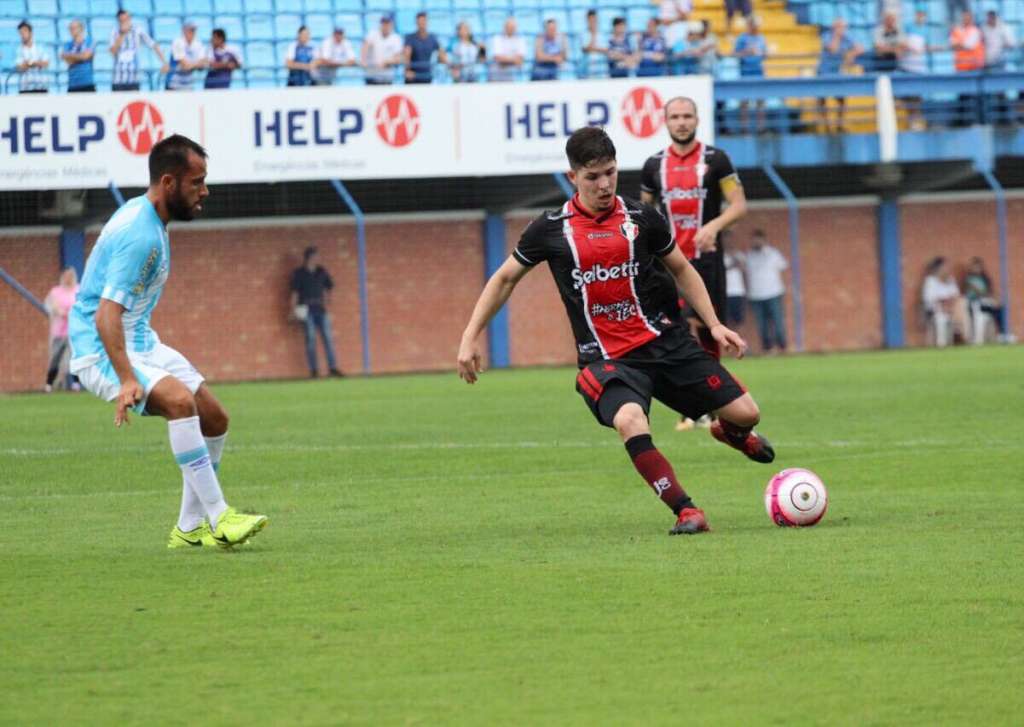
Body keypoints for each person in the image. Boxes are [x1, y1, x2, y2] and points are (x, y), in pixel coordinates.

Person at [457, 127, 775, 537]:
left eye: (610, 172)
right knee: (630, 419)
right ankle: (686, 510)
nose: (604, 184)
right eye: (592, 177)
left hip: (664, 342)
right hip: (607, 361)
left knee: (748, 413)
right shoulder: (550, 229)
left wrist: (713, 324)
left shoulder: (643, 218)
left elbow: (681, 267)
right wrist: (469, 336)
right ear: (572, 177)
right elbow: (503, 280)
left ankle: (728, 432)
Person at [67, 134, 268, 549]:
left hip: (140, 340)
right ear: (169, 182)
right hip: (101, 348)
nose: (205, 191)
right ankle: (220, 516)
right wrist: (126, 379)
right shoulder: (139, 234)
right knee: (179, 402)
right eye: (197, 182)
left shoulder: (151, 219)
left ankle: (189, 528)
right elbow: (106, 315)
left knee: (214, 417)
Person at [639, 97, 748, 429]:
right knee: (675, 328)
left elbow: (739, 205)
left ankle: (711, 404)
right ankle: (696, 405)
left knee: (707, 329)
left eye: (687, 115)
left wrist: (713, 226)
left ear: (697, 119)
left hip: (706, 261)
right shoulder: (653, 166)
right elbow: (644, 213)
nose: (682, 122)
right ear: (665, 121)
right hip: (668, 263)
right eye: (675, 116)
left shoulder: (717, 160)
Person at [290, 246, 342, 379]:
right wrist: (293, 310)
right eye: (316, 256)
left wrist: (329, 299)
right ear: (309, 258)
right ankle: (314, 370)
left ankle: (332, 368)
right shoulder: (299, 273)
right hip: (306, 310)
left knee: (328, 338)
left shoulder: (321, 271)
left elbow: (329, 286)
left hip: (320, 309)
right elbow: (294, 292)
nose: (318, 259)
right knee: (311, 340)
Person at [744, 230, 788, 354]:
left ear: (764, 240)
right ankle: (767, 349)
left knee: (778, 322)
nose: (756, 242)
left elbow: (783, 266)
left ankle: (782, 348)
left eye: (758, 239)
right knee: (762, 325)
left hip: (773, 293)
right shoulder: (749, 256)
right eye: (754, 239)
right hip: (756, 295)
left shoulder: (773, 253)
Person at [817, 18, 861, 133]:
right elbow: (833, 49)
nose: (842, 30)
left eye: (843, 27)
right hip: (824, 72)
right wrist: (836, 36)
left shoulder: (846, 38)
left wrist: (851, 54)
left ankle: (839, 124)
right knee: (822, 99)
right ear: (834, 27)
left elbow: (860, 48)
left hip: (836, 72)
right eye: (840, 27)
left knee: (841, 99)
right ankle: (826, 126)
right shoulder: (826, 36)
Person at [109, 10, 167, 91]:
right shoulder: (114, 31)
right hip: (118, 78)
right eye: (122, 20)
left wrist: (164, 62)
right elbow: (112, 51)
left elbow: (153, 45)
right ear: (119, 21)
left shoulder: (138, 30)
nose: (125, 22)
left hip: (134, 78)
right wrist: (122, 34)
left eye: (127, 19)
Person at [44, 268, 79, 392]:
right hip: (59, 331)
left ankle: (76, 383)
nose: (68, 278)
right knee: (56, 357)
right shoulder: (56, 292)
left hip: (74, 331)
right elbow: (50, 305)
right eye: (66, 276)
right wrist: (59, 311)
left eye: (70, 275)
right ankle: (49, 384)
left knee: (74, 357)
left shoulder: (78, 290)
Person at [963, 257, 1012, 343]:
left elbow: (990, 292)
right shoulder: (968, 279)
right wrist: (987, 296)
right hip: (975, 304)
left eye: (978, 267)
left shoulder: (984, 279)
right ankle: (1002, 333)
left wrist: (993, 299)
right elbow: (979, 292)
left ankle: (1003, 333)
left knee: (1001, 309)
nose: (977, 269)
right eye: (975, 267)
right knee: (995, 308)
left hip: (986, 303)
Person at [921, 256, 969, 345]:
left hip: (951, 308)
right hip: (936, 309)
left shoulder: (950, 280)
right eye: (945, 267)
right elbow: (928, 299)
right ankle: (960, 333)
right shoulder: (931, 281)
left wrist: (949, 303)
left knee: (963, 302)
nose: (947, 269)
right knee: (956, 311)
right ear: (938, 268)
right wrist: (944, 302)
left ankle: (961, 332)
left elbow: (956, 296)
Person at [733, 16, 767, 133]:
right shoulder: (742, 38)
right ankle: (744, 127)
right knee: (745, 101)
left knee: (760, 100)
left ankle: (761, 127)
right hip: (746, 71)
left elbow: (764, 53)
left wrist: (764, 53)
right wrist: (747, 51)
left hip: (759, 71)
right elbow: (735, 54)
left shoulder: (761, 38)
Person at [404, 11, 446, 84]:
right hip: (413, 77)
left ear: (427, 22)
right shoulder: (410, 38)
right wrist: (407, 70)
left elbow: (442, 55)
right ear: (416, 23)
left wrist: (442, 58)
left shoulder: (433, 38)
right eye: (419, 22)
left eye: (423, 21)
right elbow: (407, 55)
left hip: (427, 76)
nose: (422, 24)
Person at [362, 14, 403, 85]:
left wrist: (387, 62)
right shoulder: (373, 34)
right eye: (384, 23)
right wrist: (363, 60)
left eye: (387, 23)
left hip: (387, 78)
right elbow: (365, 47)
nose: (385, 26)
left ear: (392, 25)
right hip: (371, 76)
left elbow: (399, 58)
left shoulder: (396, 38)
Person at [167, 19, 206, 91]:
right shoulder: (177, 42)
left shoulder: (198, 43)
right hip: (174, 84)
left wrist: (191, 65)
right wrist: (196, 64)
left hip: (189, 84)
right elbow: (184, 65)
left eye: (194, 30)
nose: (193, 32)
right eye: (190, 30)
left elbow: (202, 65)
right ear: (184, 30)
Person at [61, 19, 96, 93]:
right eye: (70, 28)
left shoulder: (89, 41)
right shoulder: (68, 44)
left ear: (81, 28)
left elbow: (86, 56)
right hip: (72, 84)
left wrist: (70, 56)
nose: (72, 30)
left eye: (74, 28)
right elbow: (68, 61)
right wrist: (81, 56)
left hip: (87, 83)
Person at [489, 17, 527, 82]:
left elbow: (520, 60)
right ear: (504, 27)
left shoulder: (520, 40)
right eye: (509, 27)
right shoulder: (497, 39)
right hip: (497, 72)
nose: (511, 29)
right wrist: (514, 60)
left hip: (512, 74)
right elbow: (498, 59)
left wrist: (505, 60)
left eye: (513, 27)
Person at [15, 21, 49, 94]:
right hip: (25, 88)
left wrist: (30, 63)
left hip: (41, 86)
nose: (22, 35)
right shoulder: (19, 50)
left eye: (24, 32)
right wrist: (36, 63)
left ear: (31, 33)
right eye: (20, 33)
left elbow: (46, 63)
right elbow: (20, 67)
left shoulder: (40, 47)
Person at [723, 241, 747, 328]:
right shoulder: (720, 256)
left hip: (738, 291)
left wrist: (734, 258)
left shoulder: (738, 255)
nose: (728, 242)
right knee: (726, 319)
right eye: (726, 239)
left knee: (738, 320)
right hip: (724, 292)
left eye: (730, 239)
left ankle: (738, 340)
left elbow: (744, 269)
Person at [579, 10, 607, 79]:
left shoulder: (602, 34)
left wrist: (593, 48)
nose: (593, 23)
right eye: (591, 20)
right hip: (589, 69)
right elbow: (586, 49)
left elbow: (606, 49)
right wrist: (593, 35)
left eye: (594, 20)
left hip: (601, 68)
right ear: (587, 21)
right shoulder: (583, 34)